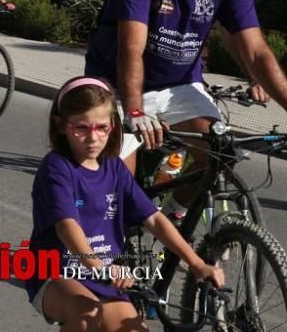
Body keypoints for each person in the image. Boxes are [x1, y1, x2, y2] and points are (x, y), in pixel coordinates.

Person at [85, 0, 287, 217]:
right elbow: (131, 48)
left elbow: (257, 51)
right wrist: (134, 111)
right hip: (117, 86)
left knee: (222, 152)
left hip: (180, 85)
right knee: (118, 187)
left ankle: (174, 216)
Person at [27, 76, 222, 330]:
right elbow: (67, 226)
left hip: (103, 277)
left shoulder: (114, 168)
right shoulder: (57, 168)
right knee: (87, 314)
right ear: (61, 125)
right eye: (81, 128)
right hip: (54, 273)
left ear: (112, 127)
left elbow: (153, 219)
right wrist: (98, 266)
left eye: (101, 128)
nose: (93, 137)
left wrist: (197, 264)